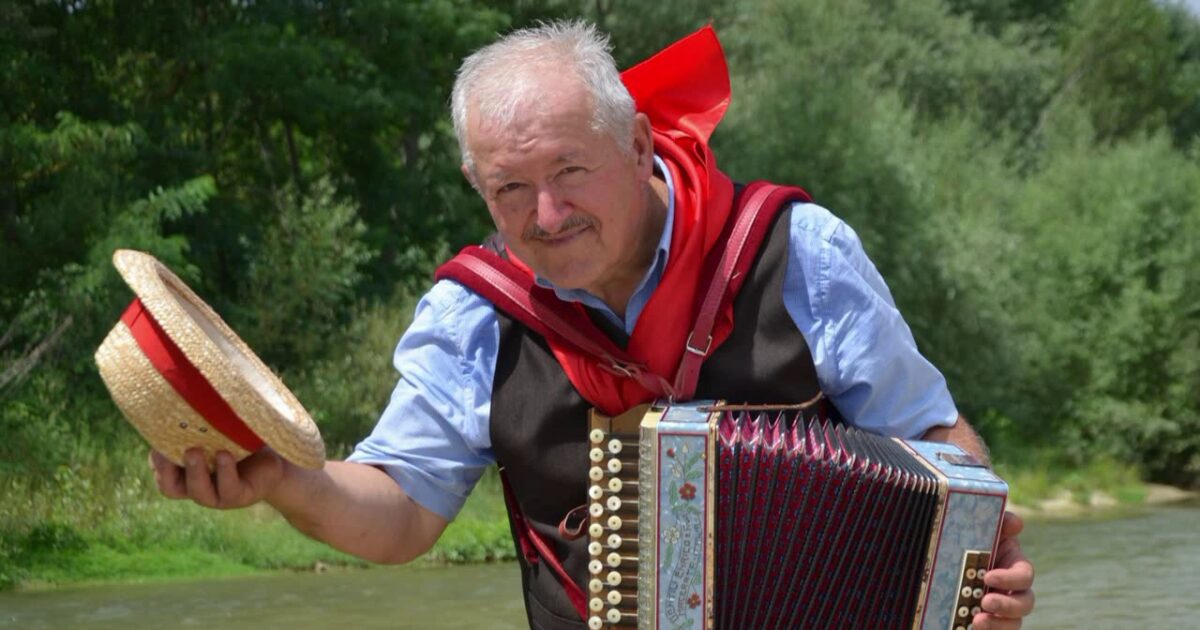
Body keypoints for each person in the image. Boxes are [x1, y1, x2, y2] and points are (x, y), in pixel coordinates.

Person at [150, 20, 1035, 630]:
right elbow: (401, 514)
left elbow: (932, 438)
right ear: (476, 186)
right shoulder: (474, 316)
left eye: (571, 170)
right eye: (508, 189)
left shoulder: (795, 251)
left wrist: (976, 581)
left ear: (641, 145)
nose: (545, 213)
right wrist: (281, 479)